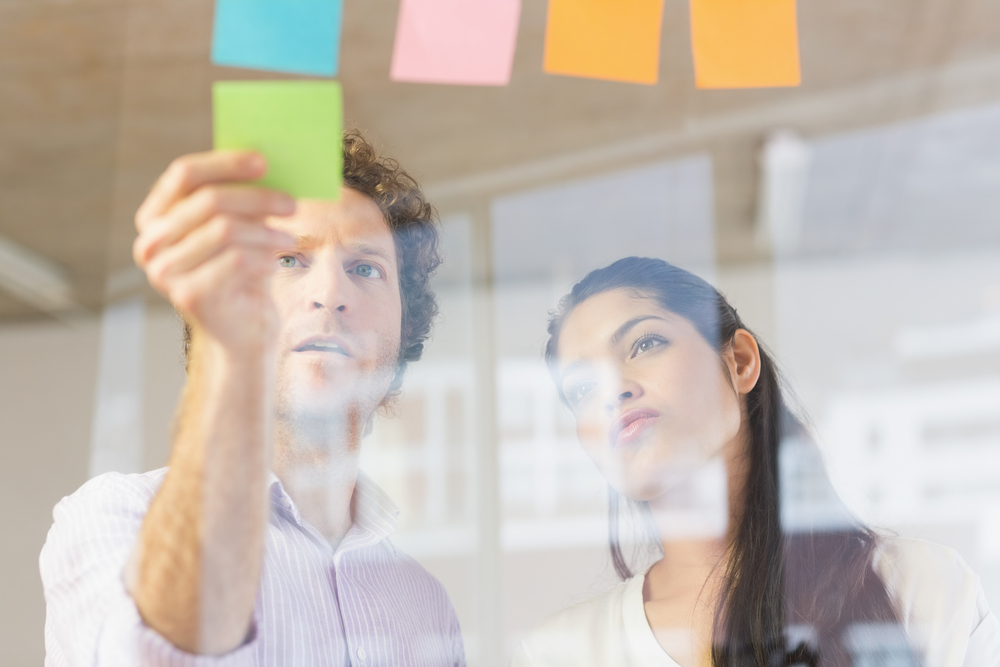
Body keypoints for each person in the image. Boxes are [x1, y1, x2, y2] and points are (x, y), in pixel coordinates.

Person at [40, 132, 465, 666]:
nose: (331, 293)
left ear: (406, 328)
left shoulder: (425, 605)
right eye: (288, 260)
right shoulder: (114, 518)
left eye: (365, 269)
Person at [512, 257, 1000, 667]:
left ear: (740, 361)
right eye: (580, 387)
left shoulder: (923, 587)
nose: (613, 390)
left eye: (645, 344)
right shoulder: (559, 653)